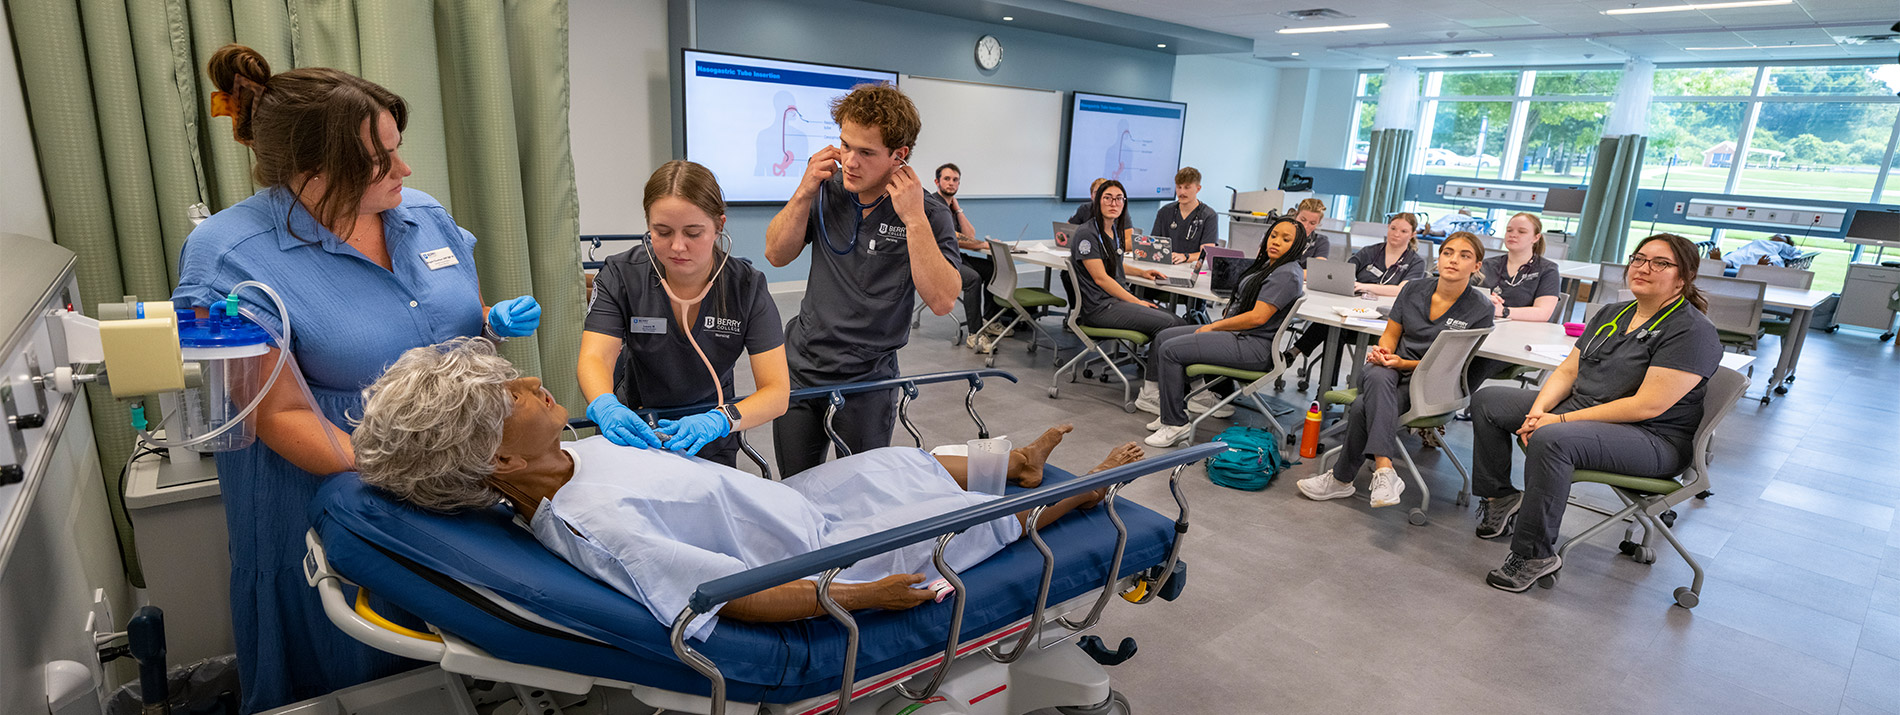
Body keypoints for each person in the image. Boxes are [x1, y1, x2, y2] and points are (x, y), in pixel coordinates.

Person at [177, 44, 542, 713]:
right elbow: (274, 415)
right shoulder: (217, 260)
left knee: (449, 660)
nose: (404, 169)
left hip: (449, 488)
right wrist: (414, 470)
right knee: (352, 678)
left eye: (399, 147)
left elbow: (444, 320)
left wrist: (489, 320)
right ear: (308, 173)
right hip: (323, 503)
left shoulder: (422, 212)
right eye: (379, 160)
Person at [352, 338, 1148, 640]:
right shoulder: (594, 525)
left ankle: (1014, 462)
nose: (530, 381)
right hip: (815, 551)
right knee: (972, 520)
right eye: (509, 396)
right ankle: (1078, 493)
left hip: (794, 506)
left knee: (889, 464)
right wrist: (864, 597)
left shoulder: (571, 453)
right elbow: (723, 596)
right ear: (495, 462)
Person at [1466, 234, 1721, 592]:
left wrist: (1558, 421)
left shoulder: (1692, 331)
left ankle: (1534, 553)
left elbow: (1647, 404)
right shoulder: (1613, 313)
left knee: (1553, 440)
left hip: (1652, 438)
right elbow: (1569, 371)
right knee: (1489, 401)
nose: (1644, 268)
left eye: (1660, 263)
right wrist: (1538, 410)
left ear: (1684, 277)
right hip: (1585, 411)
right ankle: (1500, 496)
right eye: (1639, 258)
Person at [764, 84, 962, 477]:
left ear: (898, 156)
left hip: (868, 380)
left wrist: (913, 220)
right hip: (804, 366)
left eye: (866, 152)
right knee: (795, 487)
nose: (850, 161)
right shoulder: (825, 192)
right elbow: (776, 254)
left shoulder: (929, 212)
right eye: (844, 146)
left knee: (860, 494)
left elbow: (942, 301)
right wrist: (804, 191)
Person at [577, 161, 790, 467]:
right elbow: (595, 357)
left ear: (719, 226)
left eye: (693, 233)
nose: (677, 246)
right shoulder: (622, 275)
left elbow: (776, 391)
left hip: (712, 430)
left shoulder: (745, 286)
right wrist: (604, 404)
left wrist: (721, 420)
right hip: (635, 425)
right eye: (661, 232)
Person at [1296, 232, 1494, 509]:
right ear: (1439, 258)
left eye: (1465, 255)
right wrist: (1385, 352)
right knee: (1377, 372)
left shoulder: (1480, 308)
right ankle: (1384, 469)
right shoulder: (1413, 290)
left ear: (1476, 266)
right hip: (1391, 373)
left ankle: (1342, 479)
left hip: (1431, 385)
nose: (1453, 260)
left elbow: (1453, 364)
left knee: (1365, 403)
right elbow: (1390, 334)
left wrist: (1403, 364)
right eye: (1448, 252)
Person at [1142, 218, 1309, 447]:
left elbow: (1258, 317)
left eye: (1286, 239)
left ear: (1297, 245)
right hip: (1239, 336)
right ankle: (1171, 411)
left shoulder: (1287, 273)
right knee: (1163, 337)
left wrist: (1214, 326)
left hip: (1254, 346)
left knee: (1171, 350)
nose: (1276, 242)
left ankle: (1176, 424)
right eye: (1274, 235)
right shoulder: (1271, 265)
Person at [1073, 180, 1189, 410]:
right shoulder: (1087, 234)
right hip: (1099, 307)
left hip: (1115, 302)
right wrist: (1137, 301)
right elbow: (1101, 278)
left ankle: (1188, 388)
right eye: (1107, 198)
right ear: (1097, 201)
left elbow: (1114, 266)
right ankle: (1151, 392)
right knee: (1166, 323)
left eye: (1119, 198)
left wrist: (1142, 272)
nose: (1114, 203)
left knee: (1178, 322)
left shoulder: (1112, 231)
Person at [1286, 213, 1426, 388]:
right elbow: (1345, 273)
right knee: (1335, 326)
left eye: (1404, 231)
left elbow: (1401, 290)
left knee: (1335, 327)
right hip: (1353, 310)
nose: (1396, 234)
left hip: (1381, 323)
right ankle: (1324, 390)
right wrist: (1353, 284)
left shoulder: (1415, 262)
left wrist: (1363, 286)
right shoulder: (1370, 251)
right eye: (1393, 228)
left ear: (1412, 234)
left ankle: (1296, 353)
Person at [1464, 212, 1563, 391]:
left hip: (1517, 341)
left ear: (1536, 237)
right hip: (1484, 330)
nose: (1513, 234)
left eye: (1521, 231)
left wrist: (1504, 311)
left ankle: (1446, 409)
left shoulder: (1547, 270)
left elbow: (1543, 312)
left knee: (1475, 361)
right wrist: (1483, 299)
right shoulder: (1488, 264)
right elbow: (1464, 294)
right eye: (1509, 230)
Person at [934, 163, 1001, 344]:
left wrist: (958, 209)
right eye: (946, 179)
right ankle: (975, 334)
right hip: (939, 262)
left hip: (956, 258)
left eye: (955, 180)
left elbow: (969, 234)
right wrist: (984, 245)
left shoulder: (950, 206)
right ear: (937, 182)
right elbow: (955, 237)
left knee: (994, 269)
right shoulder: (935, 206)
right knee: (973, 279)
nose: (951, 183)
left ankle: (989, 319)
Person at [1151, 167, 1219, 265]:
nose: (1182, 192)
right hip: (1165, 264)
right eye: (1179, 187)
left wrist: (1185, 257)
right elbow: (1153, 243)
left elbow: (1206, 253)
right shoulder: (1164, 212)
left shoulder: (1209, 216)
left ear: (1198, 189)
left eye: (1187, 187)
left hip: (1190, 267)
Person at [1720, 234, 1803, 272]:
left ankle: (1760, 268)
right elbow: (1749, 246)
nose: (1780, 235)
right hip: (1749, 251)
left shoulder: (1784, 246)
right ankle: (1721, 262)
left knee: (1773, 261)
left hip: (1769, 254)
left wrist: (1795, 258)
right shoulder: (1760, 241)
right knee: (1737, 255)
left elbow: (1796, 254)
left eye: (1783, 236)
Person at [1291, 197, 1333, 264]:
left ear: (1318, 224)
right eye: (1303, 220)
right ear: (1296, 216)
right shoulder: (1282, 235)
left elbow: (1316, 270)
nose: (1305, 226)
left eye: (1312, 223)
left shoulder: (1321, 242)